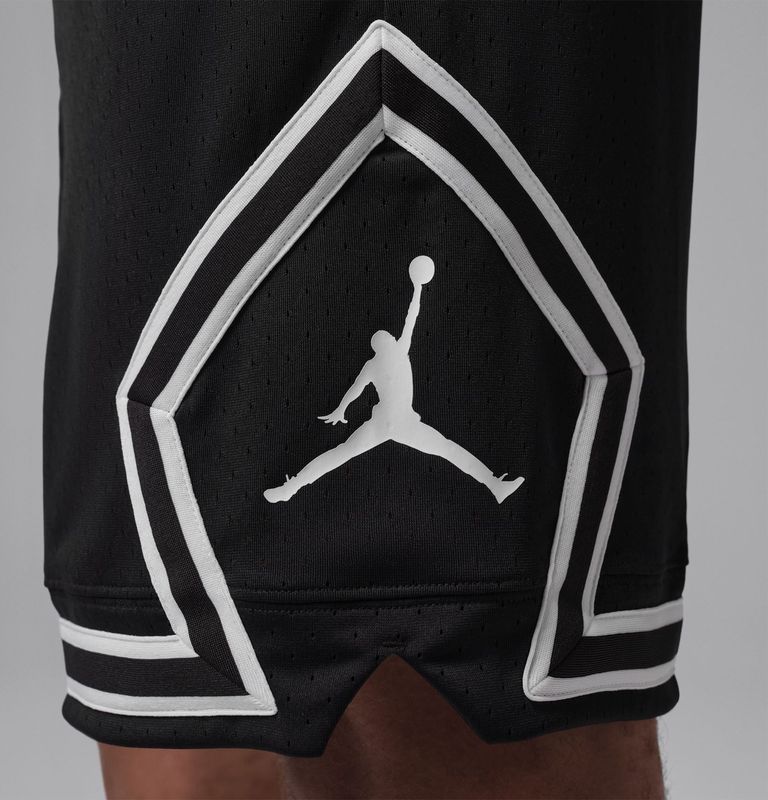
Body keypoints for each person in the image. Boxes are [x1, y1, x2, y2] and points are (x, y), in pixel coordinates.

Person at [44, 3, 701, 798]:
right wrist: (337, 412)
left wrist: (398, 325)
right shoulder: (374, 356)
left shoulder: (397, 339)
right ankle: (334, 488)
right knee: (175, 663)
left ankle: (469, 489)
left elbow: (411, 327)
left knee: (496, 655)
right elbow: (362, 381)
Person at [264, 256, 524, 505]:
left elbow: (357, 387)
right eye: (388, 337)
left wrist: (342, 409)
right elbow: (410, 319)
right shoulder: (394, 353)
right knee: (446, 450)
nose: (391, 337)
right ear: (383, 344)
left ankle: (291, 488)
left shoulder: (382, 359)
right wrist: (417, 288)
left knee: (342, 453)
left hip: (391, 423)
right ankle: (494, 485)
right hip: (393, 423)